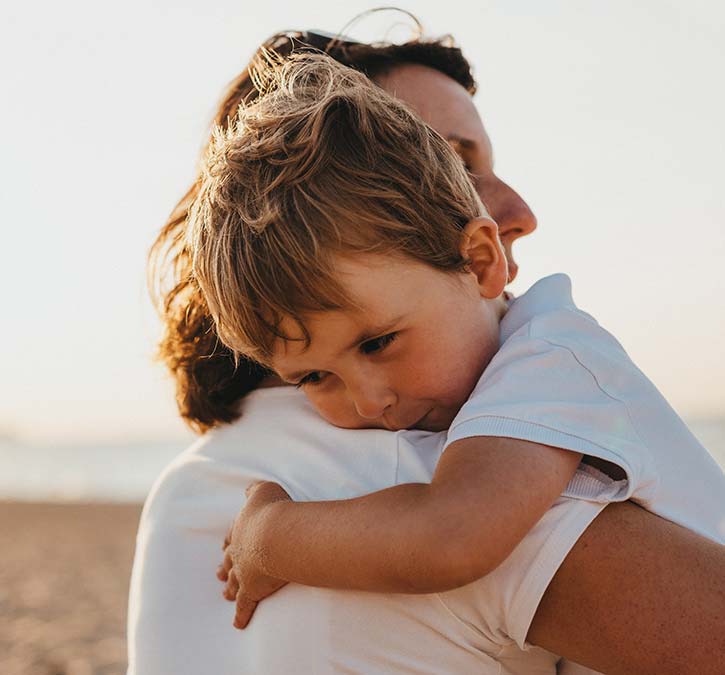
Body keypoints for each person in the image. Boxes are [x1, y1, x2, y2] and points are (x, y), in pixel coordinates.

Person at [129, 25, 725, 675]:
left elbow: (449, 532)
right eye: (451, 160)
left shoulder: (546, 357)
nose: (370, 400)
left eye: (379, 342)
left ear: (477, 260)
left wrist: (269, 536)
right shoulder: (406, 457)